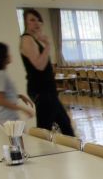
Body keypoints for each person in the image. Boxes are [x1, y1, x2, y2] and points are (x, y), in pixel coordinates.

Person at [19, 8, 74, 136]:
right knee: (47, 129)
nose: (37, 23)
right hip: (42, 91)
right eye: (32, 20)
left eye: (38, 20)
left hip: (47, 91)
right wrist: (48, 46)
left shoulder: (33, 40)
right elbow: (39, 65)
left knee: (64, 124)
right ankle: (46, 153)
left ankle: (71, 151)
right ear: (26, 23)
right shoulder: (27, 39)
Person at [0, 42, 34, 125]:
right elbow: (0, 100)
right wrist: (23, 109)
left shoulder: (2, 75)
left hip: (9, 119)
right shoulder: (0, 76)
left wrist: (19, 96)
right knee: (21, 137)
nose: (10, 55)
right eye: (7, 53)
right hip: (5, 120)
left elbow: (5, 94)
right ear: (2, 56)